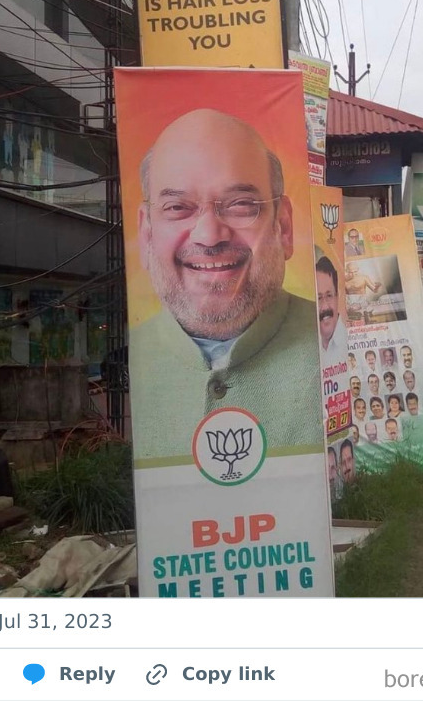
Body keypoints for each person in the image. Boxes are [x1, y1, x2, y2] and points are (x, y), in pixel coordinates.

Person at [131, 108, 323, 459]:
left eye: (240, 205)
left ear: (284, 226)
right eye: (177, 207)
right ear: (146, 235)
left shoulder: (336, 349)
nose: (209, 235)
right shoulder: (127, 364)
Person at [315, 256, 348, 365]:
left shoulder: (350, 342)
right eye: (318, 298)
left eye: (329, 296)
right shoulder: (307, 345)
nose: (324, 307)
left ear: (337, 296)